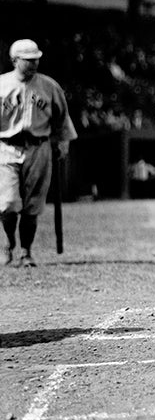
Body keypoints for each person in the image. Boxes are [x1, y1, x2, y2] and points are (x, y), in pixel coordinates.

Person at [0, 39, 78, 266]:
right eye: (28, 60)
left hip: (39, 146)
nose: (33, 64)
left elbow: (62, 118)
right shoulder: (2, 85)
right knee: (8, 203)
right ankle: (8, 244)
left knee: (32, 205)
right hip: (7, 147)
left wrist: (62, 144)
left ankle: (26, 251)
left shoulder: (49, 86)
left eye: (36, 60)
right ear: (15, 60)